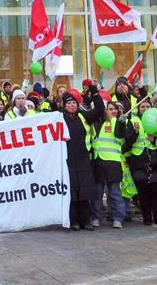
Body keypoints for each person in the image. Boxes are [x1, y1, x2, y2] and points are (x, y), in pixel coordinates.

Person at [91, 99, 134, 229]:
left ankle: (118, 218)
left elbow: (121, 134)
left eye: (115, 109)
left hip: (113, 163)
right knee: (97, 194)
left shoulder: (119, 122)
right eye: (110, 109)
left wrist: (121, 122)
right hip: (98, 162)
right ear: (105, 111)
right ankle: (96, 218)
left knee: (115, 193)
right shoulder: (98, 123)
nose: (113, 111)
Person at [61, 87, 99, 230]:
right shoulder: (59, 118)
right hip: (68, 159)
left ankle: (85, 220)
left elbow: (99, 111)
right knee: (72, 190)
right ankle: (74, 220)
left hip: (83, 158)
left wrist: (94, 93)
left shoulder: (83, 117)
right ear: (64, 105)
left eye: (74, 103)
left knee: (84, 190)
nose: (72, 105)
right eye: (69, 103)